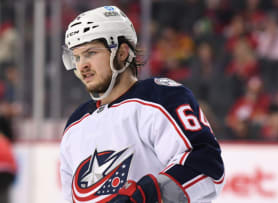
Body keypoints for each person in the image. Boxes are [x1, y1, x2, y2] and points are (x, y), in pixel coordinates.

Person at [59, 6, 225, 203]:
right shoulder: (75, 124)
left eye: (90, 53)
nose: (82, 65)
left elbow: (206, 165)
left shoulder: (161, 97)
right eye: (76, 57)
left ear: (122, 53)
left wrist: (145, 195)